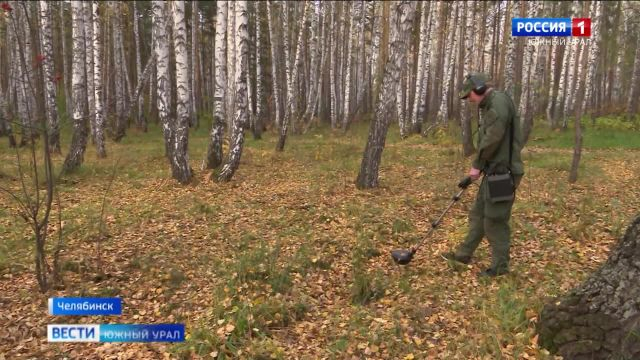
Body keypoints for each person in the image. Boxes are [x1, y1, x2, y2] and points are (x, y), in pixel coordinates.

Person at [442, 73, 524, 277]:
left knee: (494, 221)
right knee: (478, 215)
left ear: (478, 89)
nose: (468, 100)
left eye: (468, 95)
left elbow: (492, 139)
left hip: (503, 175)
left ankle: (500, 268)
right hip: (494, 171)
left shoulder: (497, 105)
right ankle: (463, 254)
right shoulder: (492, 104)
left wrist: (477, 164)